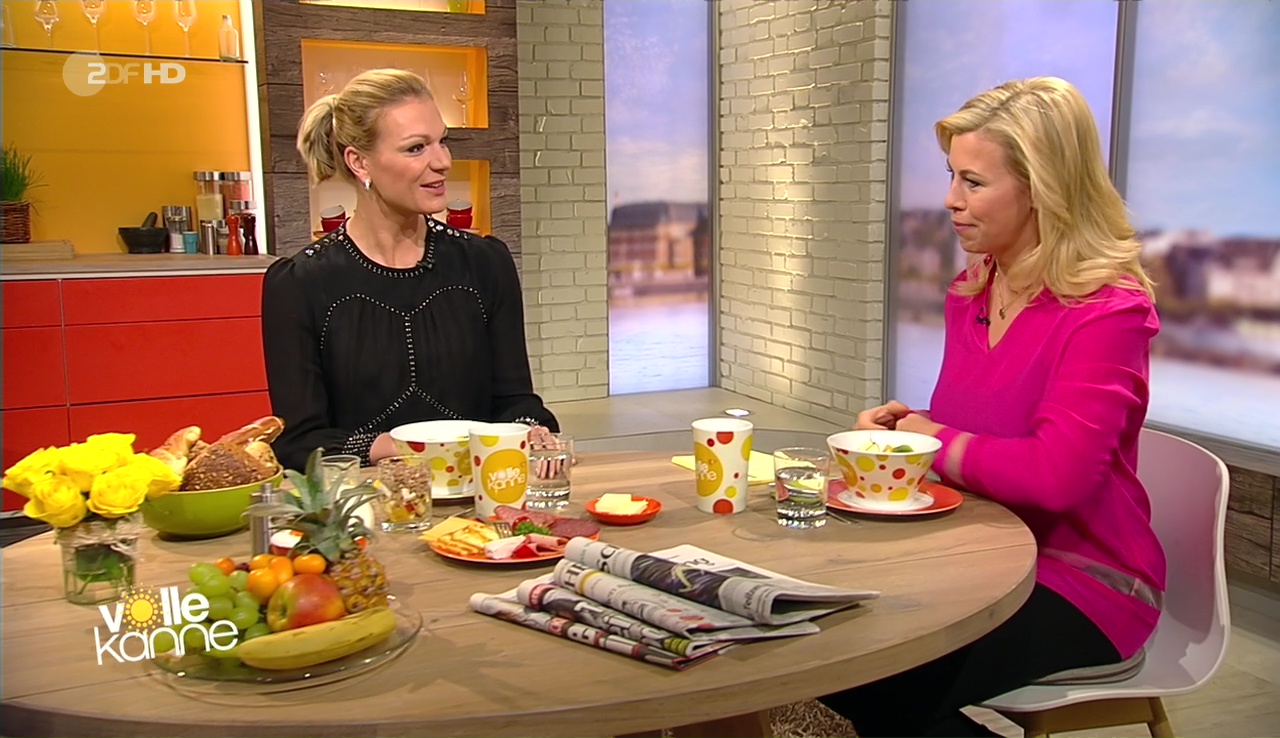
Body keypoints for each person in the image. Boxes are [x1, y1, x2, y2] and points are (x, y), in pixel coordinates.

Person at [820, 77, 1166, 738]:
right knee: (835, 642)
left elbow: (1054, 477)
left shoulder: (1108, 311)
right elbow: (977, 431)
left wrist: (928, 438)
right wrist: (899, 440)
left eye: (973, 182)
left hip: (1085, 581)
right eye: (951, 176)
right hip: (982, 549)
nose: (951, 199)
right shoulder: (973, 287)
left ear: (1042, 189)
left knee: (879, 679)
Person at [261, 69, 558, 472]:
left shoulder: (485, 263)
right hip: (365, 501)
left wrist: (530, 429)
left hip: (478, 495)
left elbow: (514, 402)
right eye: (416, 148)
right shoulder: (300, 284)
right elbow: (300, 442)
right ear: (359, 162)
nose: (443, 162)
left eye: (442, 142)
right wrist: (401, 448)